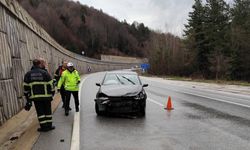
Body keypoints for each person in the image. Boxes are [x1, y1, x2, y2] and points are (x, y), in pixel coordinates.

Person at [23, 59, 55, 132]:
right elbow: (51, 84)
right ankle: (49, 126)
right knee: (48, 111)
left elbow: (25, 87)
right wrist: (52, 93)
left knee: (40, 113)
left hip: (36, 98)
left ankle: (44, 127)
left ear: (33, 64)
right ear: (39, 64)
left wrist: (28, 98)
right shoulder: (45, 73)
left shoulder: (28, 74)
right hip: (47, 97)